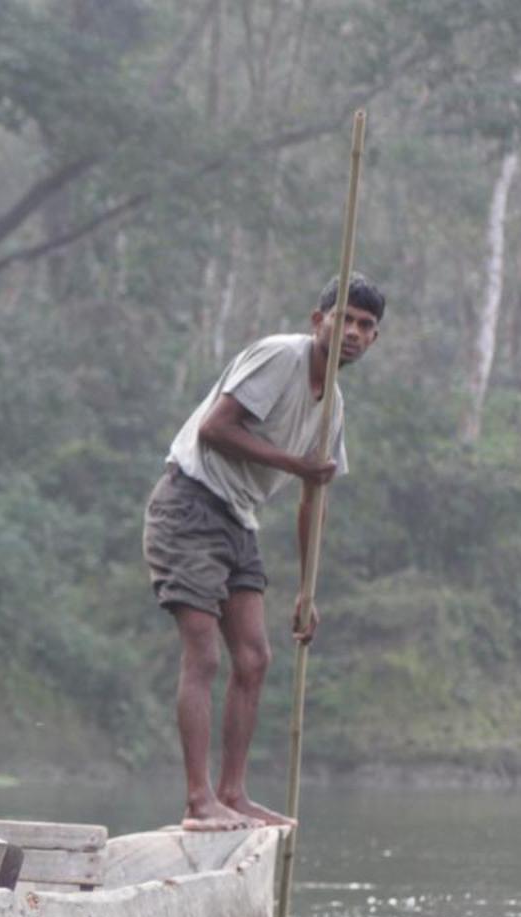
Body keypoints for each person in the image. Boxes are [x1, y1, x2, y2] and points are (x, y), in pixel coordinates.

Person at [142, 273, 384, 832]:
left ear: (374, 339)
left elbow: (312, 499)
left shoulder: (333, 409)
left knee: (255, 659)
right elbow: (214, 430)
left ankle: (233, 792)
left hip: (237, 519)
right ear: (317, 319)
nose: (351, 332)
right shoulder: (282, 357)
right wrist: (295, 464)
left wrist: (306, 589)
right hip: (189, 503)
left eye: (365, 326)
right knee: (203, 655)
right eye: (343, 318)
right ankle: (198, 799)